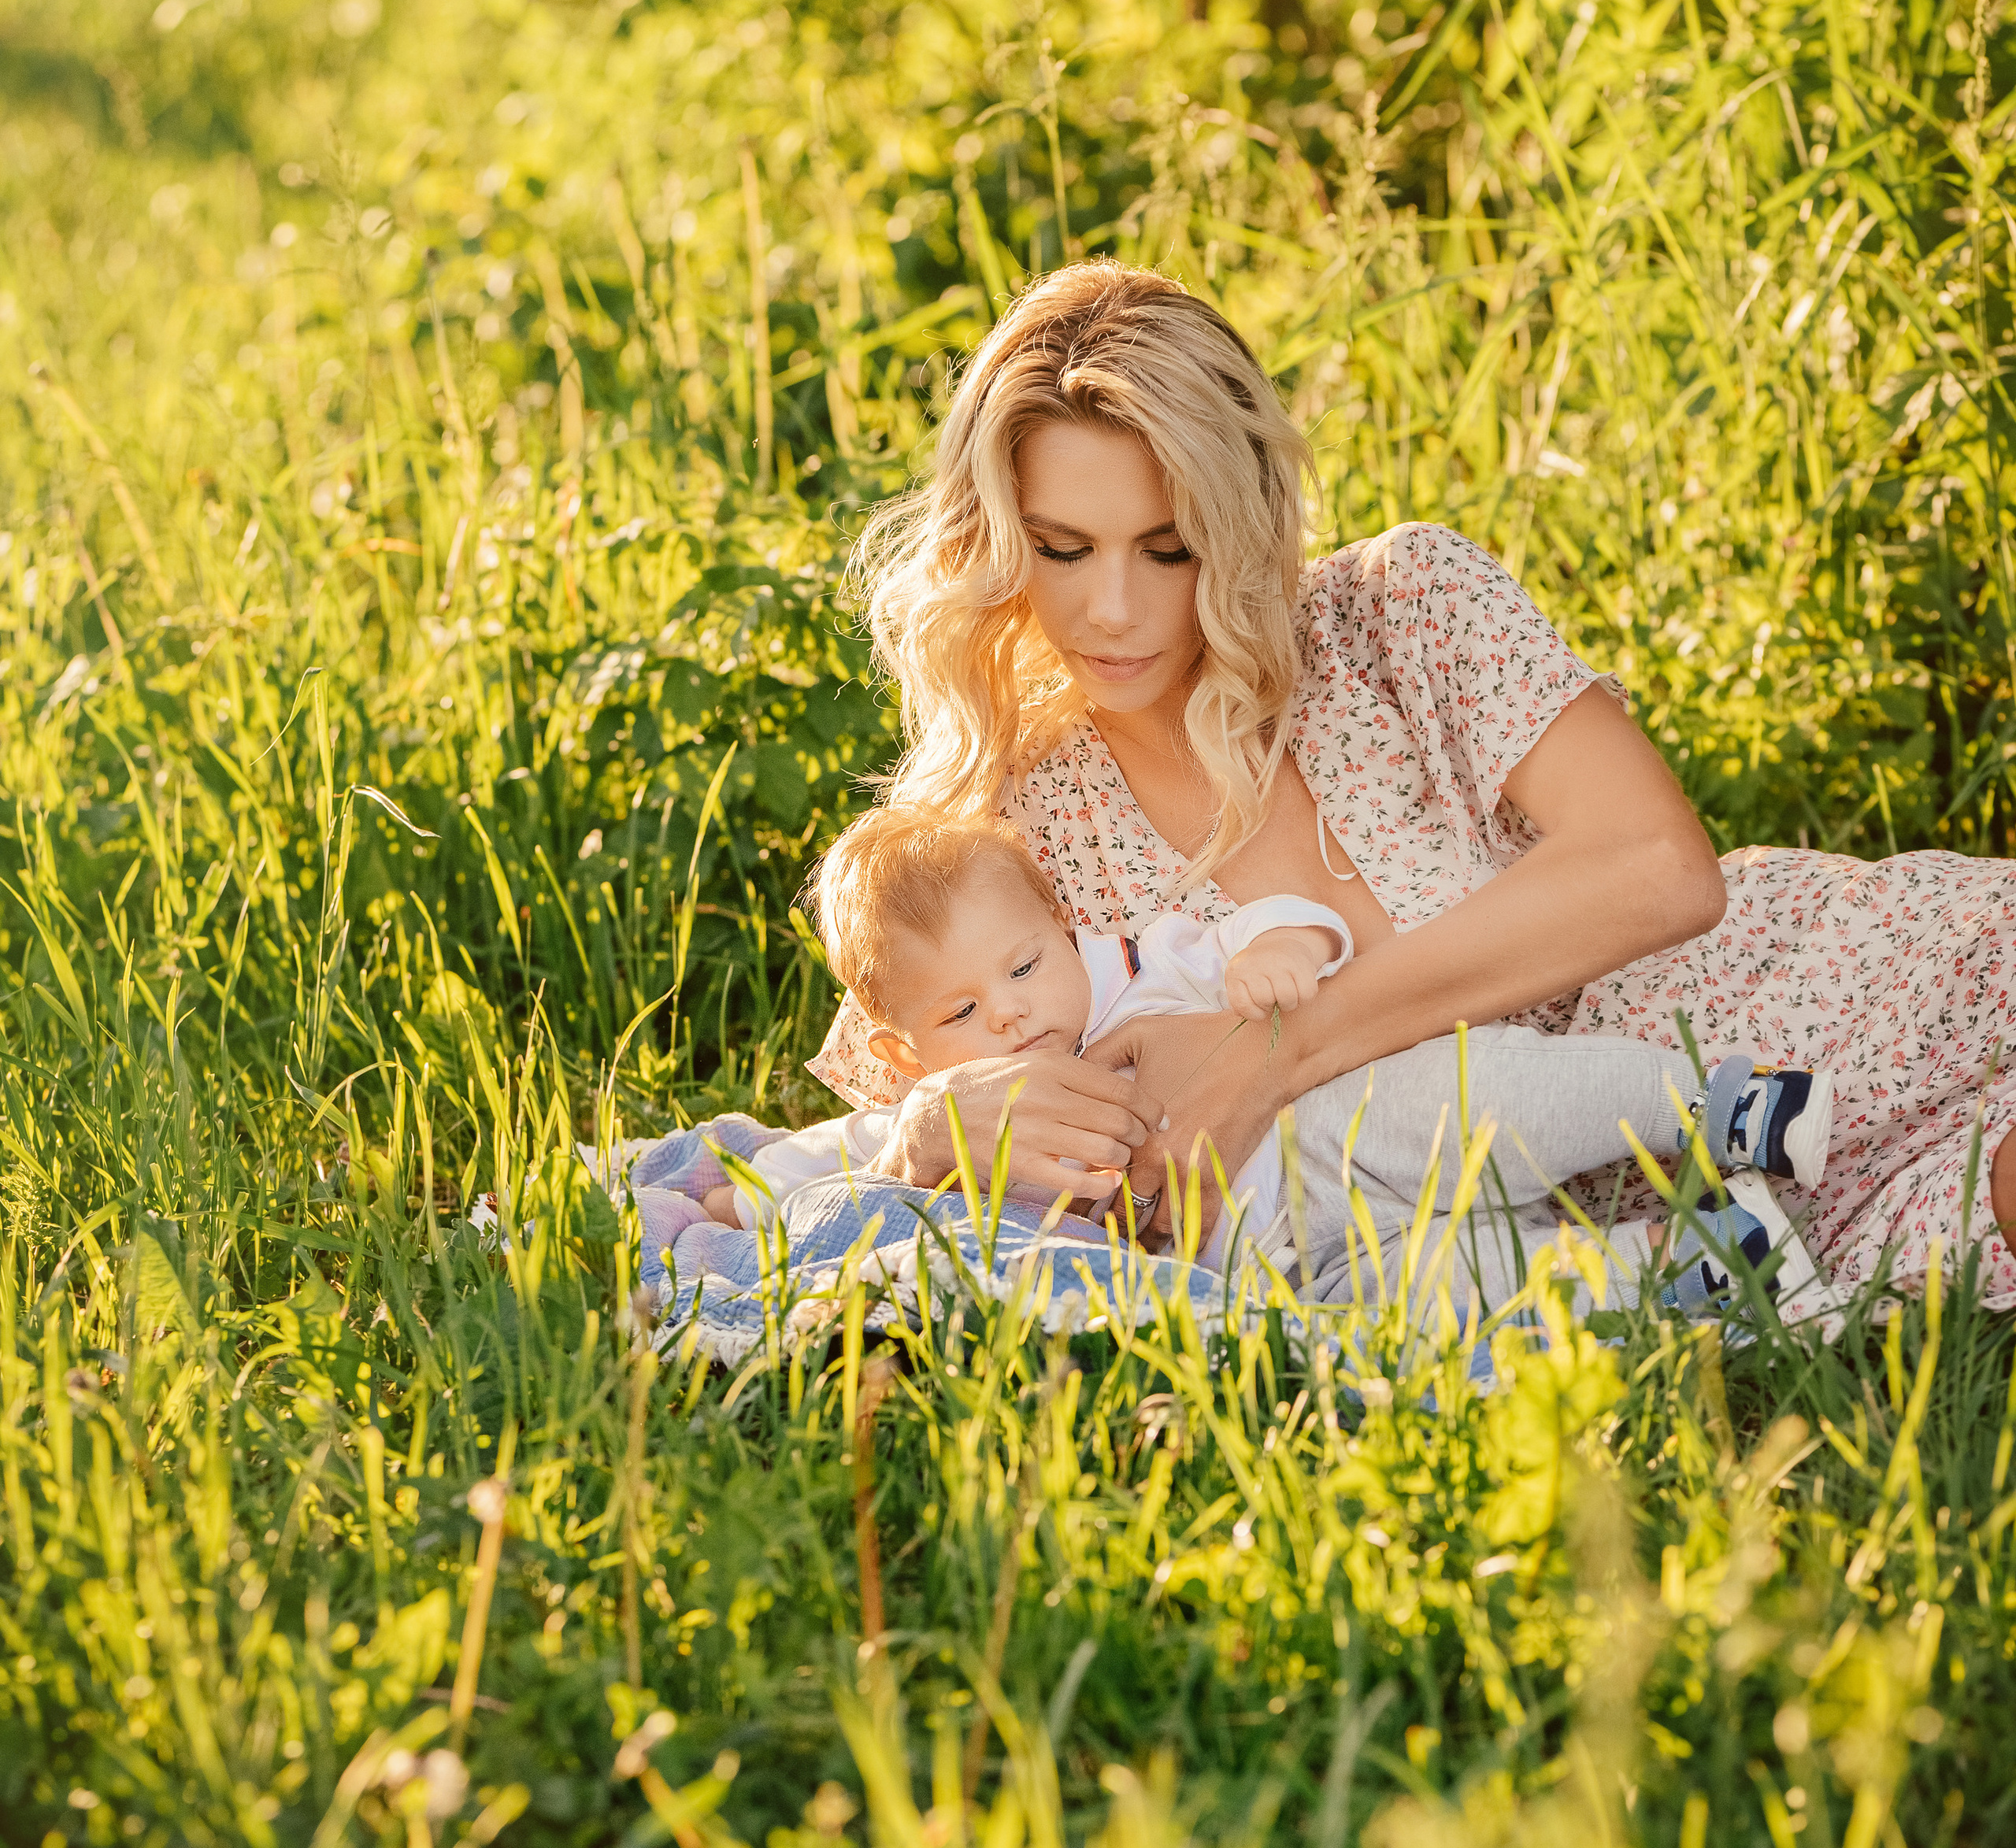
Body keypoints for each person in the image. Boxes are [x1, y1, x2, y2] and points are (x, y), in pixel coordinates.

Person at [802, 260, 2015, 1305]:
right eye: (1063, 551)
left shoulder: (1400, 612)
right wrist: (929, 1136)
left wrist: (1276, 1053)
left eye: (1169, 549)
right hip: (1553, 1251)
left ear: (1241, 524)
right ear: (1002, 542)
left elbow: (1660, 870)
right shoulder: (1022, 809)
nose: (1111, 609)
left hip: (1779, 1017)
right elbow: (901, 1064)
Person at [698, 805, 1832, 1315]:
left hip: (1337, 1118)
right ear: (902, 1051)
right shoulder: (951, 1124)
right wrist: (741, 1206)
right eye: (961, 1008)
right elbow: (834, 1170)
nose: (1010, 1016)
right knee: (1451, 1299)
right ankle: (1705, 1263)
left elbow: (1265, 930)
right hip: (1284, 1260)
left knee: (1492, 1096)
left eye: (1027, 967)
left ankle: (1720, 1105)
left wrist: (1282, 949)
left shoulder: (1139, 968)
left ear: (1063, 926)